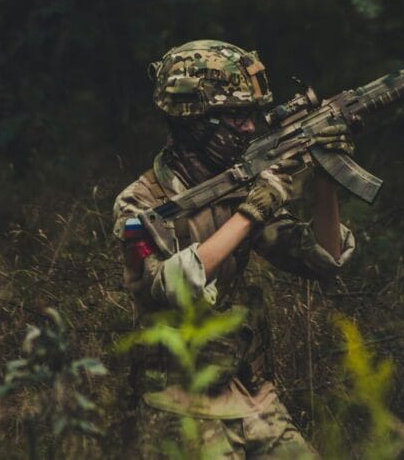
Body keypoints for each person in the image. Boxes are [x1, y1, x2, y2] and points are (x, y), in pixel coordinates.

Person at [112, 40, 355, 458]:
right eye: (235, 117)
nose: (249, 128)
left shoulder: (240, 183)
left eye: (252, 116)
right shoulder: (139, 204)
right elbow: (170, 286)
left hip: (253, 397)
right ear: (194, 120)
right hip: (180, 406)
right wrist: (253, 210)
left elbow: (321, 260)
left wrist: (326, 177)